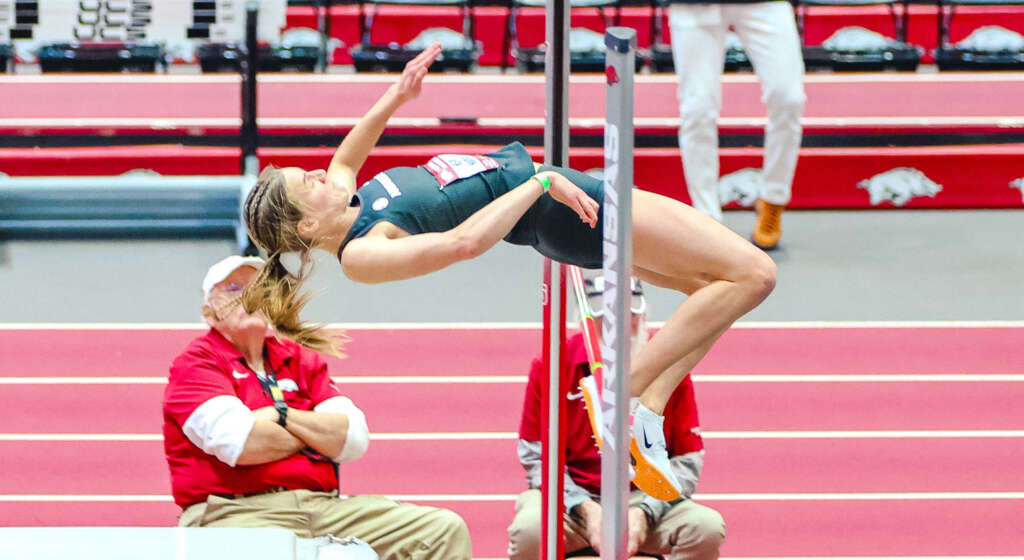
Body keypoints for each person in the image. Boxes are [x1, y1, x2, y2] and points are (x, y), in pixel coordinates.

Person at [241, 43, 777, 500]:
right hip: (561, 208)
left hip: (555, 202)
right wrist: (539, 185)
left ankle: (648, 409)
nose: (317, 173)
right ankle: (622, 388)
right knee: (753, 273)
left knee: (709, 290)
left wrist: (400, 93)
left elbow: (354, 143)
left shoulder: (346, 192)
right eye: (304, 183)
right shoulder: (361, 252)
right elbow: (463, 243)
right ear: (308, 228)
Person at [162, 255, 472, 559]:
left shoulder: (299, 359)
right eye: (234, 289)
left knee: (442, 530)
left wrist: (280, 415)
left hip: (323, 507)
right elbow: (242, 443)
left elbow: (353, 439)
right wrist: (315, 434)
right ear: (209, 311)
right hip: (234, 512)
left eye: (260, 287)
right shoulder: (196, 363)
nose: (252, 296)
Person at [507, 276, 726, 559]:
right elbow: (537, 456)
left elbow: (686, 460)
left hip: (646, 498)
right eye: (605, 317)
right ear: (586, 321)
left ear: (642, 315)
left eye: (629, 315)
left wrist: (644, 512)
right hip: (571, 501)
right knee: (530, 528)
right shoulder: (552, 363)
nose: (618, 327)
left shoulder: (670, 366)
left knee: (705, 528)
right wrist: (584, 509)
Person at [668, 0, 806, 249]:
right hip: (693, 5)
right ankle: (707, 218)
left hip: (764, 3)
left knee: (788, 97)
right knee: (697, 109)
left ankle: (774, 197)